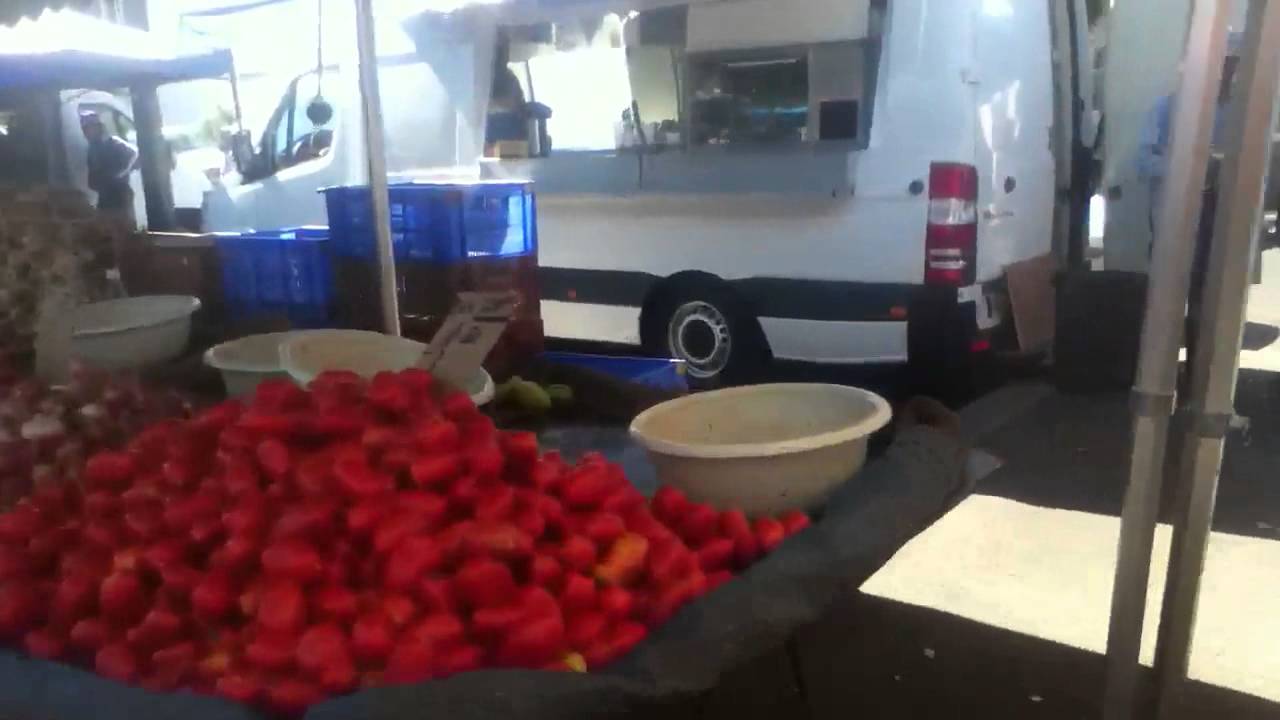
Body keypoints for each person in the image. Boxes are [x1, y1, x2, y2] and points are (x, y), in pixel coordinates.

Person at [80, 109, 138, 224]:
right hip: (104, 196)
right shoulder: (92, 149)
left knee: (124, 229)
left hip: (119, 195)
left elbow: (134, 154)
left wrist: (121, 173)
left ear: (98, 127)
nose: (87, 132)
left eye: (90, 128)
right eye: (85, 129)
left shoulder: (113, 143)